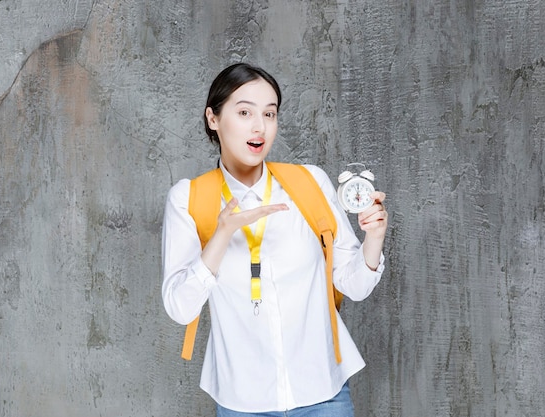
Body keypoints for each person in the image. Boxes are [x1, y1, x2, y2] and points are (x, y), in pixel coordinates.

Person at [161, 63, 388, 416]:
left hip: (324, 394)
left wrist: (373, 238)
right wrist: (221, 235)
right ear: (213, 118)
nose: (259, 126)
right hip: (242, 402)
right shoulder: (189, 199)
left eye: (270, 113)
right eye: (244, 112)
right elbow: (179, 308)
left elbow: (353, 286)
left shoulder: (309, 183)